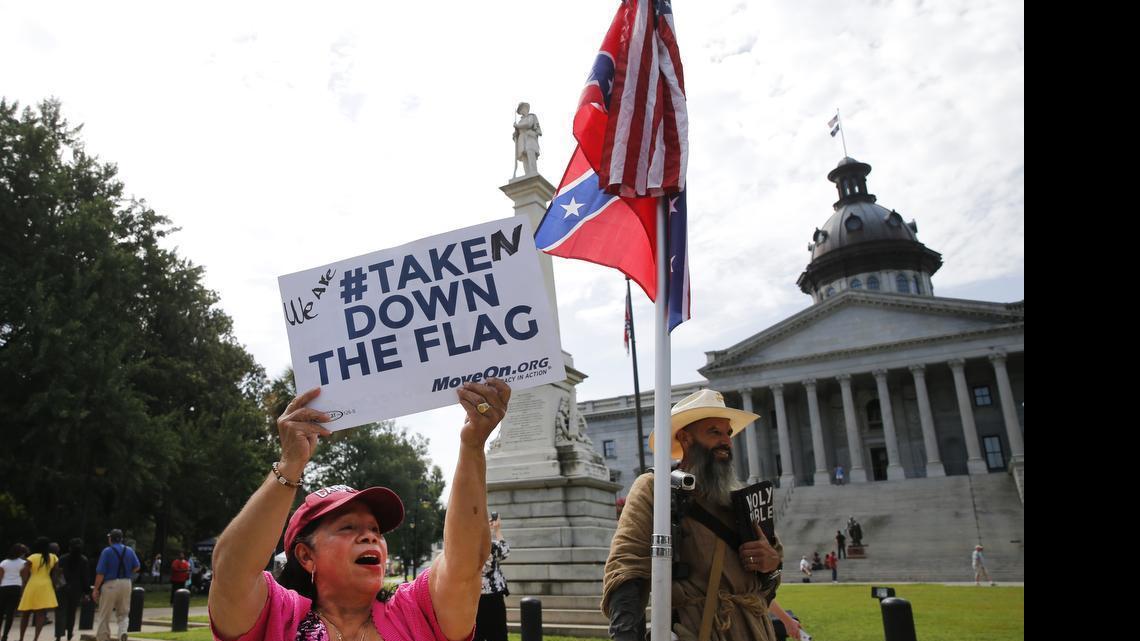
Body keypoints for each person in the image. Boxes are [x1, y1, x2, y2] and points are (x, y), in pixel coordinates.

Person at [208, 379, 511, 641]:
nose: (370, 538)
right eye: (348, 527)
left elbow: (465, 562)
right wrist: (290, 465)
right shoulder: (276, 617)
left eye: (375, 530)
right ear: (306, 556)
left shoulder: (416, 612)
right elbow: (231, 572)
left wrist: (472, 446)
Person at [602, 388, 783, 641]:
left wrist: (771, 562)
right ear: (685, 438)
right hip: (698, 628)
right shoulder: (656, 488)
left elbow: (769, 576)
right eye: (714, 432)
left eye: (728, 434)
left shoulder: (741, 498)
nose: (726, 442)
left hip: (754, 629)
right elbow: (627, 567)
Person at [91, 529, 140, 641]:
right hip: (126, 582)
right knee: (123, 613)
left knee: (105, 614)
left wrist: (96, 589)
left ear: (110, 539)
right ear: (121, 539)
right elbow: (137, 566)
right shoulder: (129, 550)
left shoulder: (107, 551)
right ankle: (122, 632)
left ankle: (103, 638)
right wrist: (128, 570)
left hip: (110, 584)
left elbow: (100, 573)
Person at [473, 515, 510, 641]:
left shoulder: (468, 547)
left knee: (476, 634)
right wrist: (497, 530)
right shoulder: (491, 546)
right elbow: (505, 551)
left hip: (474, 597)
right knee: (498, 634)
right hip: (494, 596)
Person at [15, 537, 58, 641]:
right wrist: (53, 587)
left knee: (26, 613)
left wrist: (24, 584)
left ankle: (21, 638)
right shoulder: (53, 557)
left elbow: (24, 572)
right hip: (46, 585)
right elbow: (55, 575)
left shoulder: (32, 557)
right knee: (41, 613)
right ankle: (36, 638)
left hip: (32, 584)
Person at [56, 539, 91, 641]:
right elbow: (85, 577)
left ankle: (58, 635)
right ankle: (69, 634)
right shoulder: (83, 560)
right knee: (71, 613)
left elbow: (59, 574)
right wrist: (86, 592)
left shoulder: (62, 559)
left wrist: (59, 585)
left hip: (63, 587)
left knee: (60, 612)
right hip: (76, 589)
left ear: (69, 548)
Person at [1, 544, 28, 641]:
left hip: (4, 587)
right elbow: (24, 578)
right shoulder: (23, 563)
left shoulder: (4, 563)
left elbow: (0, 577)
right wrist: (22, 592)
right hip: (16, 587)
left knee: (1, 612)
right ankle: (5, 635)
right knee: (10, 613)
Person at [512, 102, 542, 177]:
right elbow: (518, 132)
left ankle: (533, 171)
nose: (522, 111)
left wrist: (517, 126)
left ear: (526, 108)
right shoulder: (520, 121)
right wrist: (515, 134)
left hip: (529, 136)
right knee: (524, 155)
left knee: (530, 151)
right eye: (520, 110)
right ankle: (527, 174)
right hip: (521, 138)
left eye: (522, 109)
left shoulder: (531, 116)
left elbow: (529, 124)